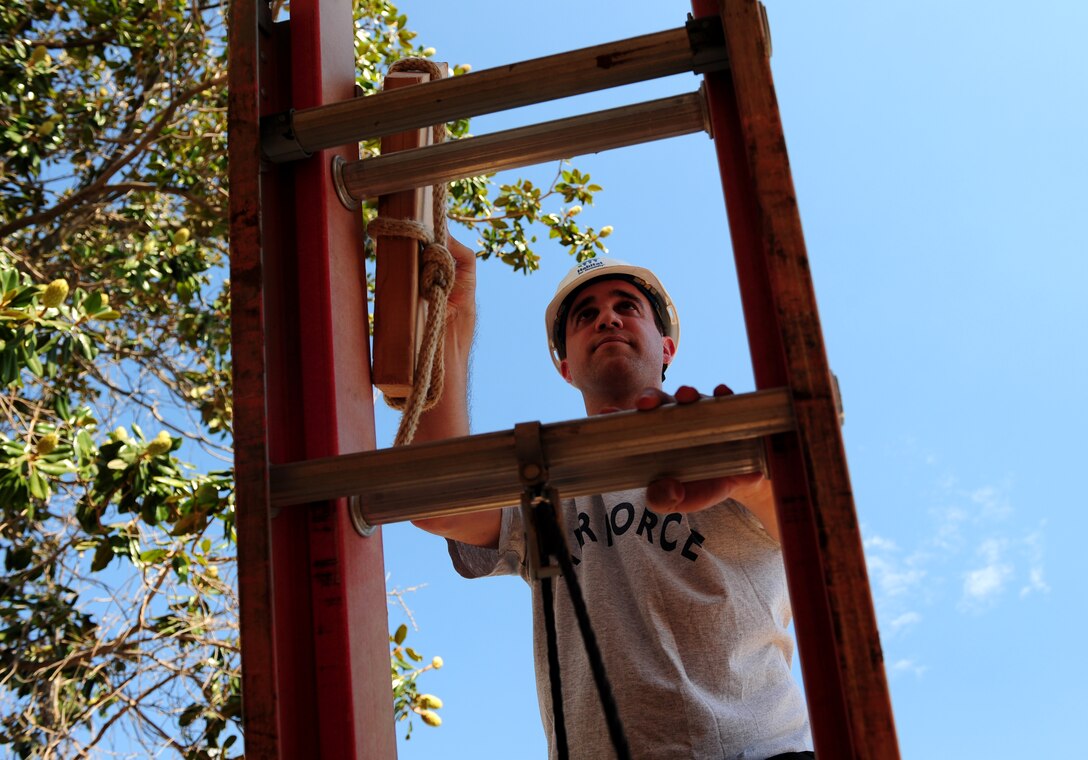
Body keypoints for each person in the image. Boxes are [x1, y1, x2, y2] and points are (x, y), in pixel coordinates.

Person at [410, 238, 814, 760]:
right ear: (565, 368)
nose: (608, 319)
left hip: (758, 753)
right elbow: (437, 502)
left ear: (666, 349)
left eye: (627, 306)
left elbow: (814, 535)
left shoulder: (721, 444)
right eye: (585, 315)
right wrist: (451, 315)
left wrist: (749, 475)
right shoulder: (546, 488)